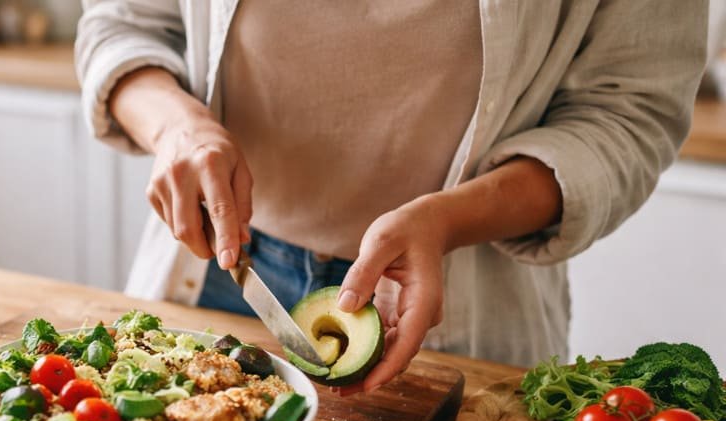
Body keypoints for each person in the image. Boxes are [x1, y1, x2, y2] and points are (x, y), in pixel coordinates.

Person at [75, 1, 707, 393]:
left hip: (440, 306)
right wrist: (176, 128)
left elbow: (631, 114)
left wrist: (449, 220)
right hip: (218, 271)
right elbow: (120, 24)